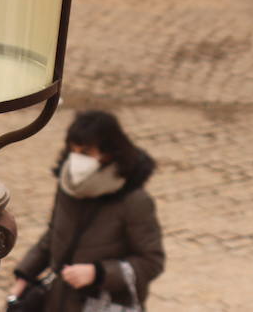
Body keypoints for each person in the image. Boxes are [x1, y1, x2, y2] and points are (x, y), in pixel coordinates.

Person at [9, 111, 164, 311]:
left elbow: (152, 261)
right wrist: (24, 277)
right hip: (59, 301)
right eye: (73, 150)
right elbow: (54, 235)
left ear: (108, 153)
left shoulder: (135, 201)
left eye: (85, 152)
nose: (76, 159)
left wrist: (98, 273)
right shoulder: (68, 186)